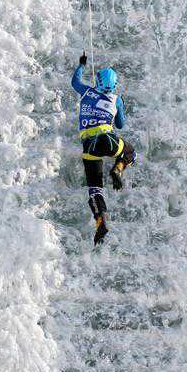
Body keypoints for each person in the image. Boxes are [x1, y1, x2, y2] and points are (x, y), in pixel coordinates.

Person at [71, 52, 137, 244]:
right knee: (130, 152)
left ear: (97, 81)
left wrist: (82, 64)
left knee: (95, 189)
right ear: (114, 85)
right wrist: (119, 106)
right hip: (107, 140)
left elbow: (75, 81)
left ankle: (100, 221)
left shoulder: (86, 91)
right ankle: (117, 169)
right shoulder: (116, 99)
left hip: (89, 147)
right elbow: (121, 124)